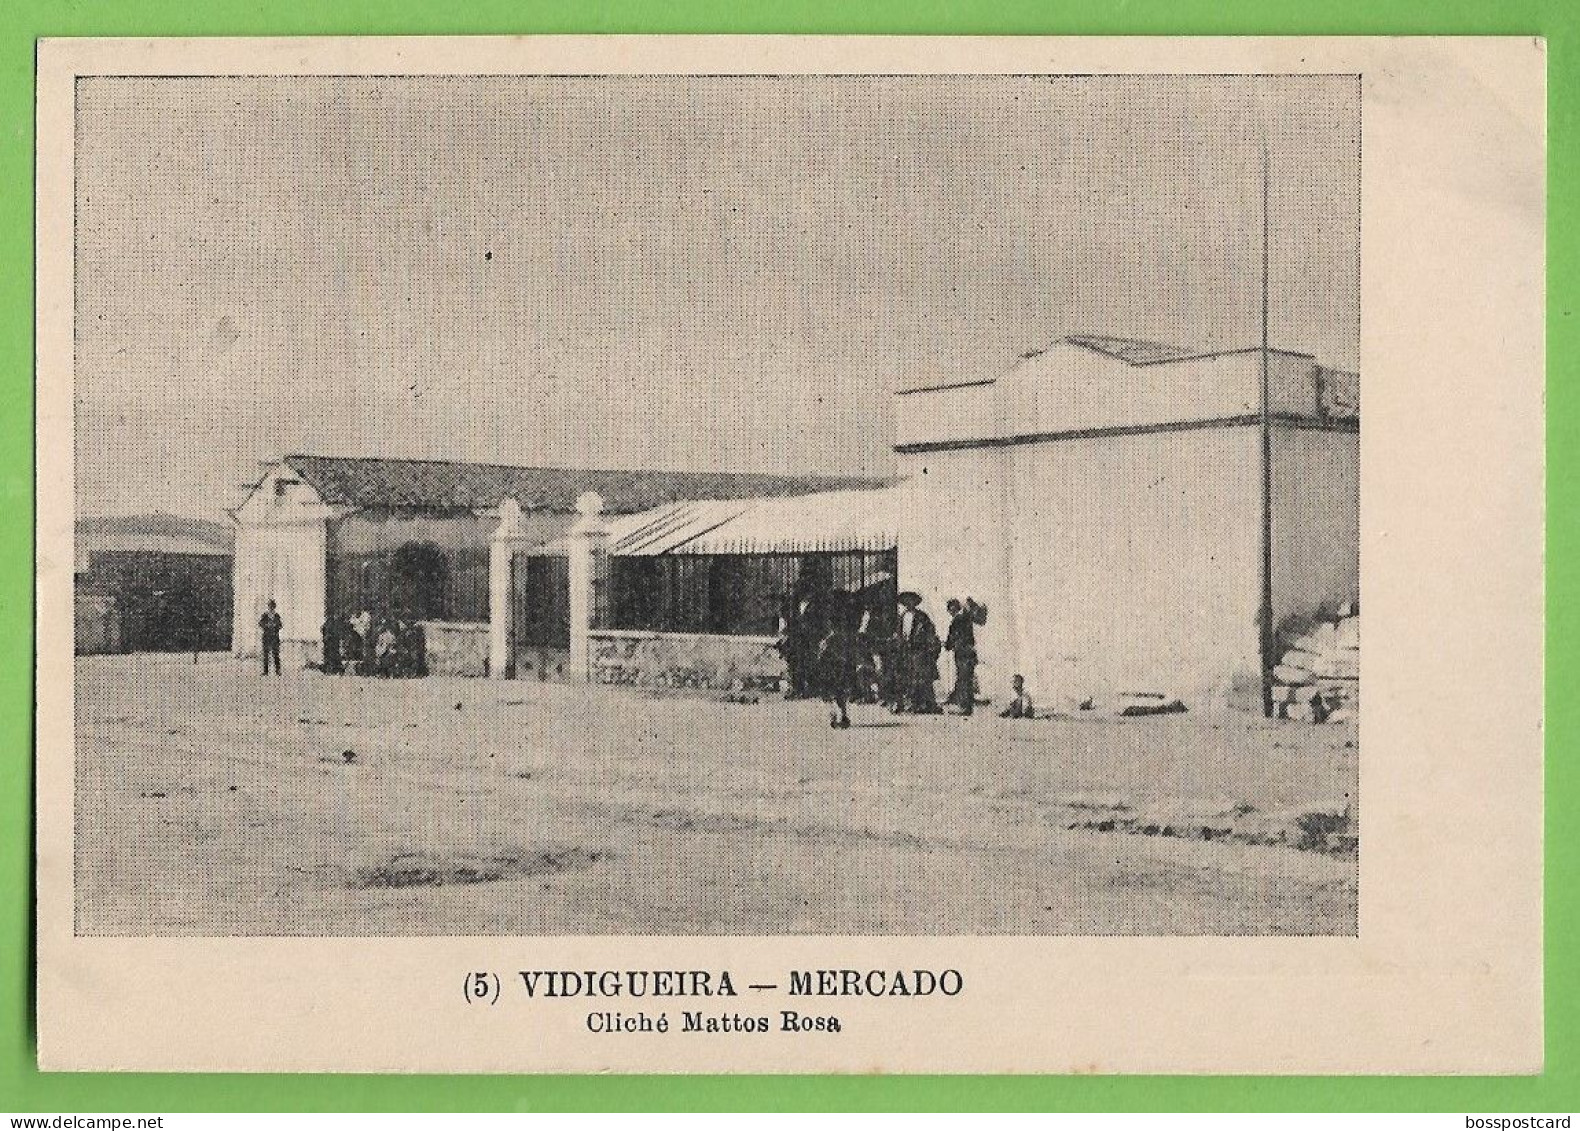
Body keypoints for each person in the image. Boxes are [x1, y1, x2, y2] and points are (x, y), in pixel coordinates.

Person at [815, 590, 861, 729]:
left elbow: (827, 633)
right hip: (842, 654)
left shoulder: (829, 614)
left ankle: (835, 713)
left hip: (831, 654)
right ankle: (841, 714)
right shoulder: (849, 615)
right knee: (839, 687)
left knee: (830, 687)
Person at [893, 591, 941, 714]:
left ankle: (924, 704)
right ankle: (911, 703)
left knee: (921, 677)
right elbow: (899, 633)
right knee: (907, 677)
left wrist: (928, 646)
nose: (909, 603)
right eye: (906, 601)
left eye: (911, 601)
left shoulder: (922, 616)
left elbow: (930, 631)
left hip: (919, 651)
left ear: (915, 602)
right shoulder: (902, 616)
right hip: (906, 651)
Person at [944, 598, 978, 716]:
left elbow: (953, 637)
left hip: (963, 653)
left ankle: (965, 706)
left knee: (963, 678)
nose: (950, 612)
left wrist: (948, 645)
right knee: (965, 678)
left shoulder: (958, 619)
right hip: (967, 652)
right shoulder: (965, 618)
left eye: (951, 609)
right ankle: (965, 706)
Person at [258, 599, 284, 676]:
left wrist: (275, 626)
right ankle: (265, 671)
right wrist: (266, 625)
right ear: (268, 607)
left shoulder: (277, 615)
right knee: (266, 655)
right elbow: (260, 623)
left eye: (272, 606)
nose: (271, 608)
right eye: (270, 606)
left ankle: (278, 670)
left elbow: (280, 625)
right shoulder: (265, 615)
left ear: (274, 607)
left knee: (276, 654)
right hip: (266, 637)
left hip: (275, 637)